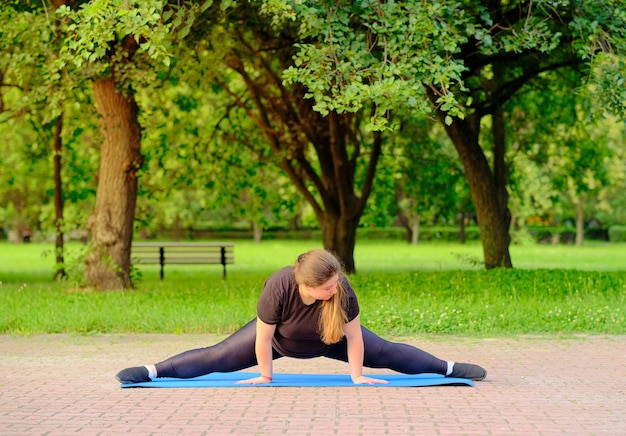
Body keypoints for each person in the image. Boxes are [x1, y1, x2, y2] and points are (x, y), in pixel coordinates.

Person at [116, 249, 486, 385]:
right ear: (307, 286)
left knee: (387, 353)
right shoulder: (279, 286)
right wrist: (264, 375)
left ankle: (449, 368)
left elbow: (356, 338)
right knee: (218, 357)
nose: (334, 289)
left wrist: (357, 377)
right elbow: (262, 338)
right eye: (326, 287)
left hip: (331, 340)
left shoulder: (342, 288)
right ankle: (151, 371)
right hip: (280, 342)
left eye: (335, 283)